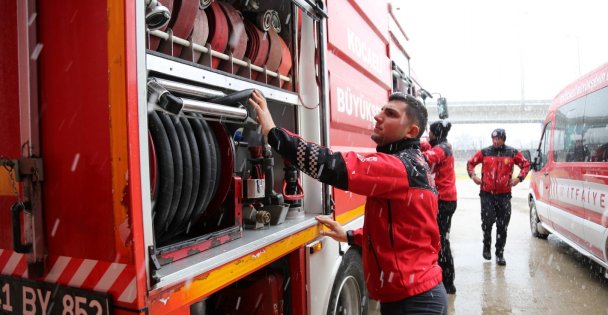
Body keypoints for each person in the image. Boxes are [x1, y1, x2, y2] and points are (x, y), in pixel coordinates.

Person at [249, 90, 448, 315]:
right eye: (382, 110)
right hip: (412, 296)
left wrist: (274, 135)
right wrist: (351, 236)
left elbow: (332, 165)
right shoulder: (411, 164)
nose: (378, 117)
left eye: (390, 114)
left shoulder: (400, 166)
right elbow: (403, 233)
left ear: (411, 131)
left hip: (415, 303)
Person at [466, 128, 530, 266]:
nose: (495, 141)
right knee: (487, 222)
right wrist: (473, 176)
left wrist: (519, 178)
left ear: (503, 139)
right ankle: (486, 246)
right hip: (487, 195)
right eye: (493, 139)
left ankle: (500, 253)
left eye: (498, 139)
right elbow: (470, 163)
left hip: (504, 196)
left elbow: (526, 164)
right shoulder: (485, 152)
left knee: (503, 226)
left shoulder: (512, 153)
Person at [421, 121, 457, 294]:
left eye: (431, 133)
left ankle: (448, 282)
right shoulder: (438, 145)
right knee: (438, 239)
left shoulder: (443, 148)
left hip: (444, 201)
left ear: (436, 133)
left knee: (441, 240)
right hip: (441, 200)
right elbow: (425, 145)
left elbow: (427, 157)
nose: (429, 136)